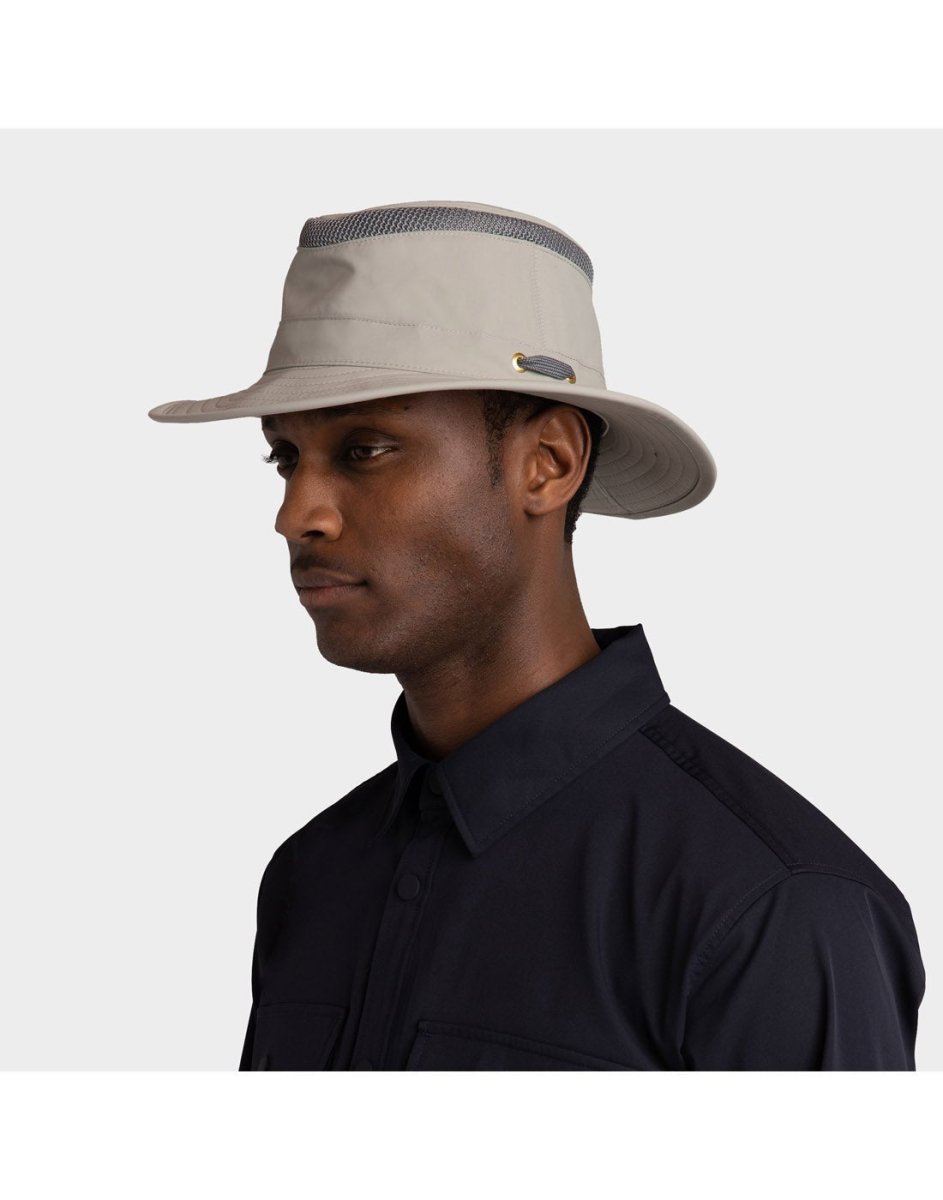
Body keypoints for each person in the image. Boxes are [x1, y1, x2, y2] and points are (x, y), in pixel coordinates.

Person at [148, 199, 925, 1070]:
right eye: (285, 457)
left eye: (366, 449)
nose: (297, 514)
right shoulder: (314, 876)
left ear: (546, 464)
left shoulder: (770, 906)